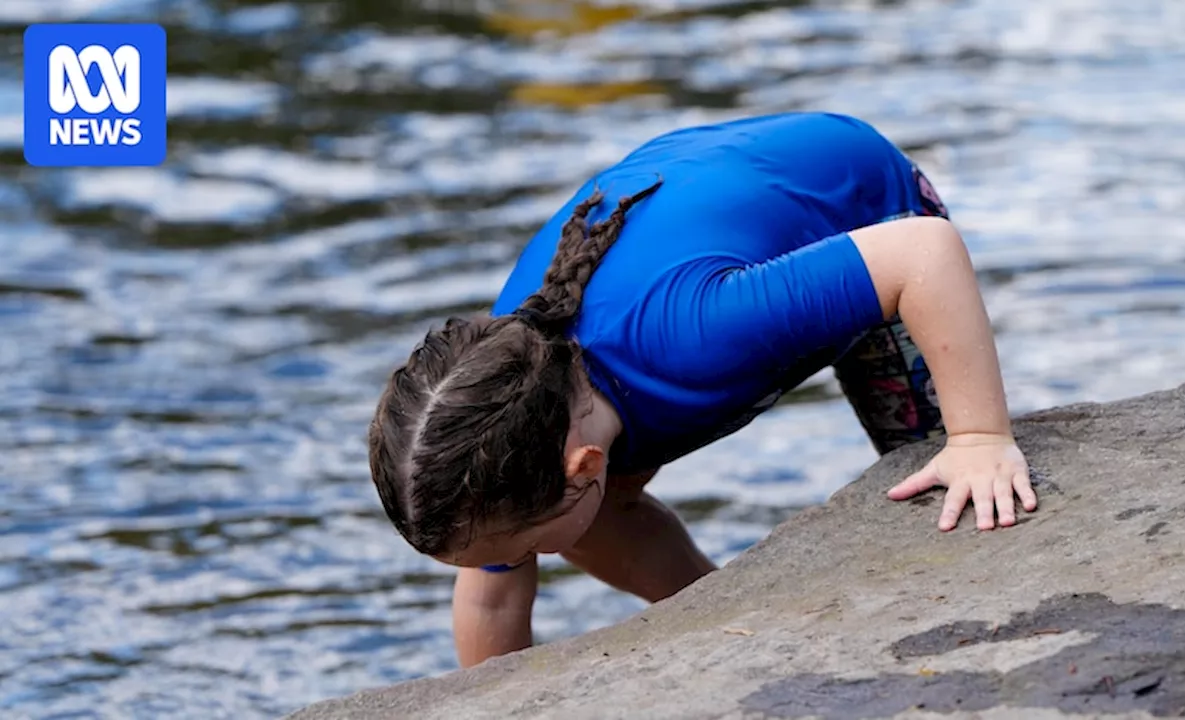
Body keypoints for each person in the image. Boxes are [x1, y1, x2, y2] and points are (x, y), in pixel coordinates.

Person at [367, 111, 1037, 669]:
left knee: (948, 482)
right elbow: (490, 597)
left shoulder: (698, 334)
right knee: (568, 520)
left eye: (524, 555)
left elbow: (923, 253)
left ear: (587, 461)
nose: (516, 567)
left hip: (868, 215)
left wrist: (979, 437)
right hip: (708, 200)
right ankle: (717, 610)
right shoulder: (514, 399)